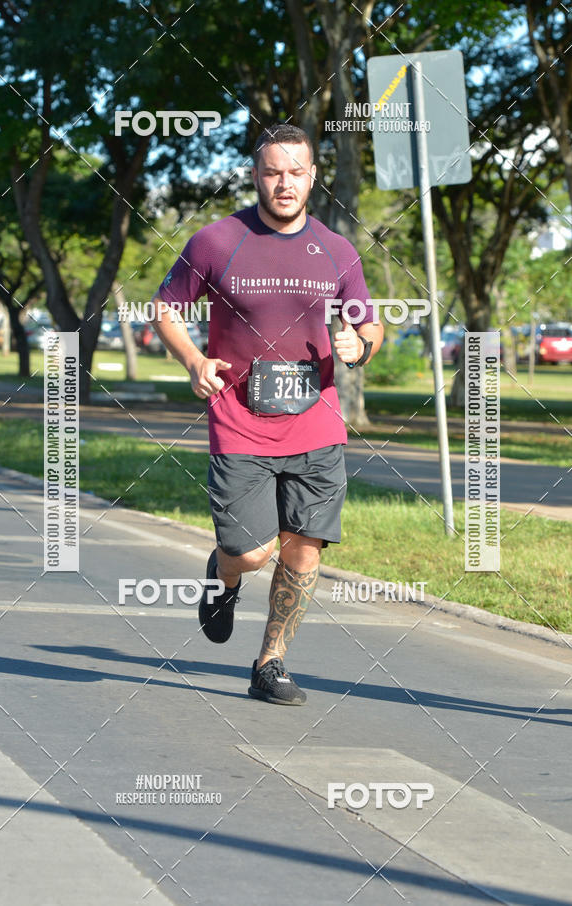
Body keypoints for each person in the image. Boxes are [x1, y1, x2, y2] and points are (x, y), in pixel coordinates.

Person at [152, 123, 383, 705]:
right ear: (256, 175)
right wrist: (193, 360)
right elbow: (165, 308)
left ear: (313, 177)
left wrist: (360, 345)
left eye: (296, 172)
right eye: (273, 172)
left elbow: (369, 323)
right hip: (239, 421)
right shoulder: (216, 241)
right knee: (252, 552)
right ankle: (224, 574)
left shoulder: (337, 250)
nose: (285, 183)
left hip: (317, 421)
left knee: (303, 547)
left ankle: (270, 663)